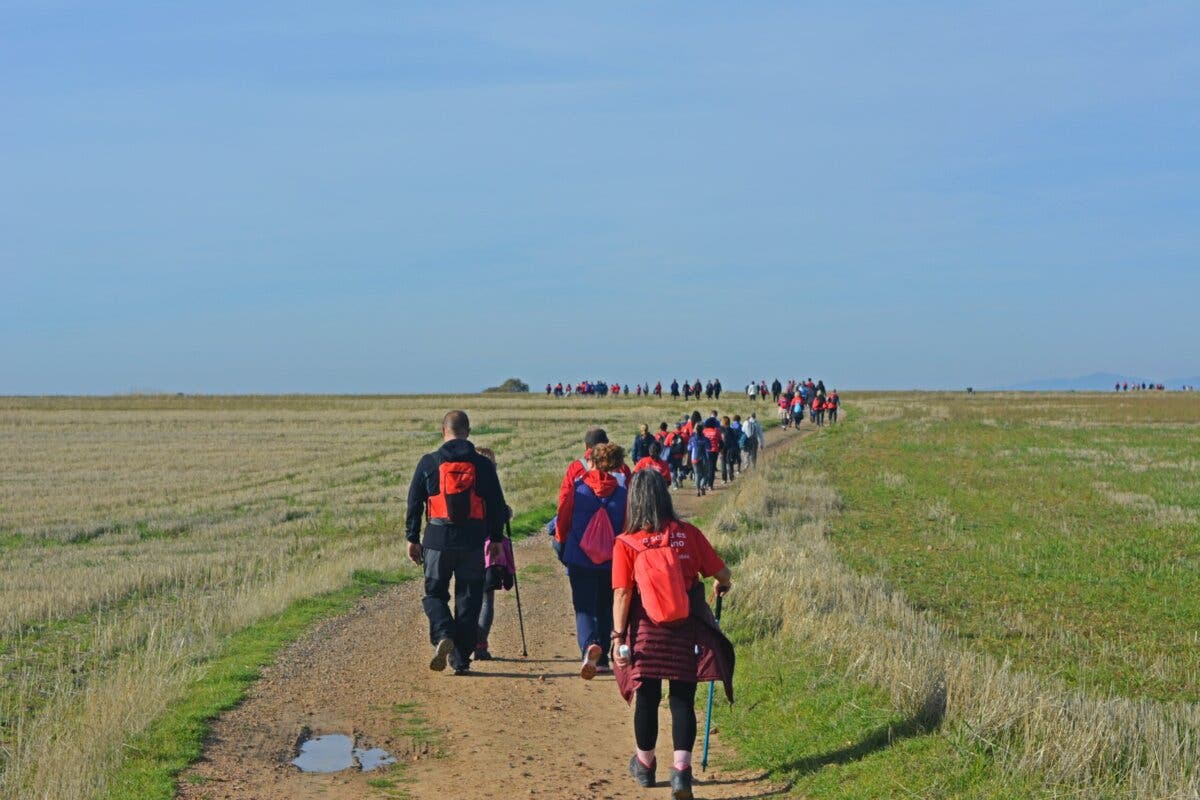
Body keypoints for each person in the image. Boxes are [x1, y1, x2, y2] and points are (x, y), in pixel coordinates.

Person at [611, 470, 734, 798]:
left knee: (648, 698)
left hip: (646, 633)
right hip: (685, 631)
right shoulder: (688, 535)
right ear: (665, 496)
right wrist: (723, 584)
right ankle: (681, 772)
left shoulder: (627, 543)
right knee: (682, 699)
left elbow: (622, 594)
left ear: (633, 500)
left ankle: (645, 765)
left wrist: (617, 637)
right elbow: (722, 573)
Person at [406, 410, 509, 675]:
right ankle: (461, 660)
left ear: (443, 431)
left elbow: (414, 503)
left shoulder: (429, 462)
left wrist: (412, 538)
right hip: (473, 541)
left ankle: (443, 633)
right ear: (468, 431)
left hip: (437, 541)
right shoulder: (483, 465)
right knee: (470, 599)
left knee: (434, 595)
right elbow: (496, 505)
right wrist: (496, 538)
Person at [555, 442, 629, 678]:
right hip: (613, 560)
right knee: (606, 605)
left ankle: (589, 645)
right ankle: (604, 656)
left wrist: (564, 543)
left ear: (593, 462)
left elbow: (562, 521)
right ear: (618, 464)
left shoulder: (578, 489)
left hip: (580, 556)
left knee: (584, 607)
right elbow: (629, 528)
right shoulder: (624, 494)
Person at [474, 447, 514, 661]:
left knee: (469, 597)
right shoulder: (494, 488)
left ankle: (467, 641)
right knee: (487, 599)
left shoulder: (468, 487)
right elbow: (501, 515)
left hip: (470, 547)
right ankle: (480, 644)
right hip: (492, 549)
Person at [686, 425, 709, 496]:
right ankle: (702, 485)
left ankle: (698, 490)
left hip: (695, 458)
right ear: (702, 430)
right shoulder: (705, 439)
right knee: (705, 474)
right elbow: (709, 447)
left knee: (697, 474)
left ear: (696, 430)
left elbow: (689, 448)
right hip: (704, 458)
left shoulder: (692, 439)